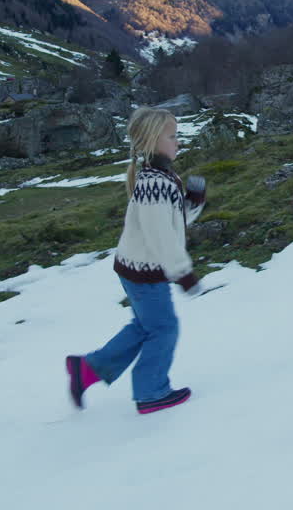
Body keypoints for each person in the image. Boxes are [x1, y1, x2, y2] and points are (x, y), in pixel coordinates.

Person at [66, 107, 207, 414]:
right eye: (172, 136)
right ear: (153, 140)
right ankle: (151, 391)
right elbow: (162, 237)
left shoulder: (161, 177)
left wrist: (193, 203)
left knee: (146, 326)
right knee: (164, 328)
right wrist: (183, 273)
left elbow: (172, 222)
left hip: (136, 268)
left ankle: (88, 369)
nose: (177, 142)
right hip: (145, 272)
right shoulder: (154, 182)